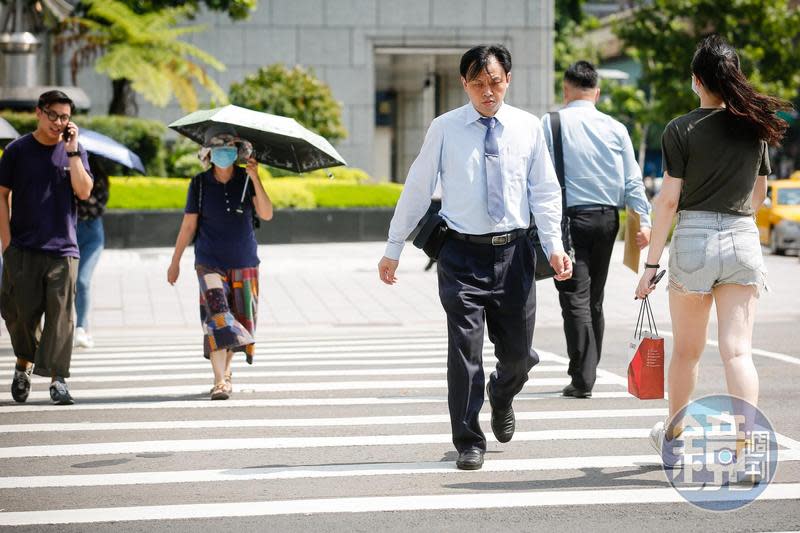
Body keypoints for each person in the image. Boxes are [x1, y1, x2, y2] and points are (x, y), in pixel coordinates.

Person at [377, 44, 572, 471]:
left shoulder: (526, 127)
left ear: (509, 80)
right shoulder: (445, 128)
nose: (488, 92)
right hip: (461, 256)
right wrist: (393, 247)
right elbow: (417, 186)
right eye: (479, 84)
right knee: (464, 352)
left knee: (518, 355)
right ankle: (469, 439)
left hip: (516, 253)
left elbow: (544, 190)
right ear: (464, 83)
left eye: (496, 82)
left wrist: (554, 246)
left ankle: (503, 394)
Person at [635, 35, 791, 477]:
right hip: (743, 237)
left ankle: (674, 440)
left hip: (694, 240)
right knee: (737, 353)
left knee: (687, 353)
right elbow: (758, 193)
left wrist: (650, 267)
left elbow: (667, 202)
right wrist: (735, 223)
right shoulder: (754, 126)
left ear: (697, 80)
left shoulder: (679, 130)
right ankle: (748, 454)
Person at [541, 61, 652, 399]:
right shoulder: (616, 127)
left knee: (574, 296)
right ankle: (587, 369)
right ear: (597, 93)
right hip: (608, 220)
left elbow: (535, 176)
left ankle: (583, 377)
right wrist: (644, 220)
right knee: (595, 299)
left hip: (569, 220)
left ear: (565, 89)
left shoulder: (551, 123)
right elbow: (633, 179)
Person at [0, 90, 93, 405]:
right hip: (22, 248)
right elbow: (1, 194)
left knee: (61, 318)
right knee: (19, 315)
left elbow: (84, 191)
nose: (58, 122)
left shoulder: (74, 151)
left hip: (64, 250)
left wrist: (72, 153)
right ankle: (23, 363)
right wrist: (7, 244)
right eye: (53, 115)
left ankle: (58, 379)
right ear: (39, 113)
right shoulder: (16, 151)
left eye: (64, 117)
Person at [167, 124, 273, 400]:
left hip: (245, 261)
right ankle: (218, 380)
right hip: (209, 261)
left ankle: (226, 374)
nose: (224, 154)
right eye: (218, 149)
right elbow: (189, 225)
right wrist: (175, 261)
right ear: (209, 153)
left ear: (237, 153)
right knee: (217, 317)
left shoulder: (246, 179)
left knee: (238, 319)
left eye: (229, 149)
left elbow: (267, 213)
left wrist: (256, 177)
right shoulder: (199, 184)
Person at [74, 154, 110, 349]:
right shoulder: (66, 174)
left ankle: (81, 328)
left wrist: (79, 190)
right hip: (69, 231)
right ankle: (82, 326)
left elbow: (96, 207)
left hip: (92, 235)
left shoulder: (100, 181)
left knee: (82, 280)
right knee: (69, 283)